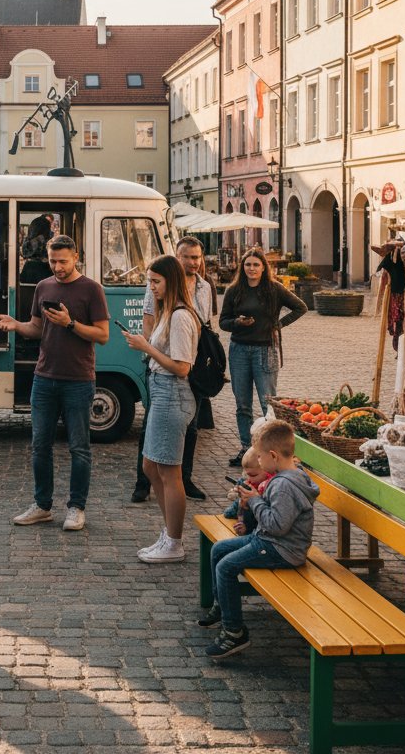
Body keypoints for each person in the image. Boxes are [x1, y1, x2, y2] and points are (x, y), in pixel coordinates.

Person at [0, 234, 110, 531]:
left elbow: (102, 335)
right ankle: (42, 506)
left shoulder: (92, 290)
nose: (57, 267)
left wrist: (70, 323)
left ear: (76, 257)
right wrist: (16, 325)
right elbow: (36, 328)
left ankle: (76, 508)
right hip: (44, 378)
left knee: (79, 448)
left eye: (63, 261)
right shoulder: (44, 287)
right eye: (53, 261)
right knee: (40, 445)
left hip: (79, 380)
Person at [198, 420, 319, 659]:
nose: (259, 462)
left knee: (225, 567)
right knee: (219, 549)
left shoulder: (284, 485)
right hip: (267, 540)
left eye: (261, 458)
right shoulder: (288, 475)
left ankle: (234, 632)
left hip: (281, 548)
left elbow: (277, 526)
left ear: (273, 456)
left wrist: (254, 501)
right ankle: (223, 606)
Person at [121, 255, 199, 563]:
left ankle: (175, 542)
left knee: (169, 471)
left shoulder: (180, 316)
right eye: (149, 282)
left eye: (156, 282)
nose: (150, 288)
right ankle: (168, 534)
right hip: (161, 389)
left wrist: (146, 347)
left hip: (173, 393)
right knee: (150, 468)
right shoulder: (167, 311)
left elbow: (182, 367)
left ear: (171, 281)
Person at [131, 236, 215, 504]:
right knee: (151, 429)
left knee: (190, 428)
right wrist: (152, 351)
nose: (193, 262)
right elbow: (150, 320)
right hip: (162, 365)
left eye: (196, 257)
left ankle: (184, 478)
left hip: (188, 364)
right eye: (187, 257)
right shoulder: (159, 285)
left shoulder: (204, 288)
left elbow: (205, 325)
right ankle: (143, 483)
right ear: (176, 260)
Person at [219, 248, 307, 466]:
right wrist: (237, 322)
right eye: (248, 264)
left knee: (269, 404)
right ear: (243, 267)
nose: (252, 268)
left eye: (256, 265)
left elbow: (300, 307)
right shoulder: (234, 290)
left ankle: (272, 451)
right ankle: (246, 450)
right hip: (239, 350)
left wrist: (278, 325)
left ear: (263, 267)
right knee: (243, 405)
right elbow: (223, 322)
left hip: (265, 351)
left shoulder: (274, 289)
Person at [222, 447, 274, 535]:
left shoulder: (269, 487)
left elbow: (267, 520)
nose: (249, 479)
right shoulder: (251, 482)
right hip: (252, 529)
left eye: (253, 475)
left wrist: (253, 500)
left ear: (267, 470)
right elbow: (239, 513)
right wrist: (241, 502)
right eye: (247, 474)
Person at [19, 215, 54, 285]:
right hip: (44, 271)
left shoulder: (27, 241)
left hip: (28, 270)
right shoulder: (46, 240)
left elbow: (25, 254)